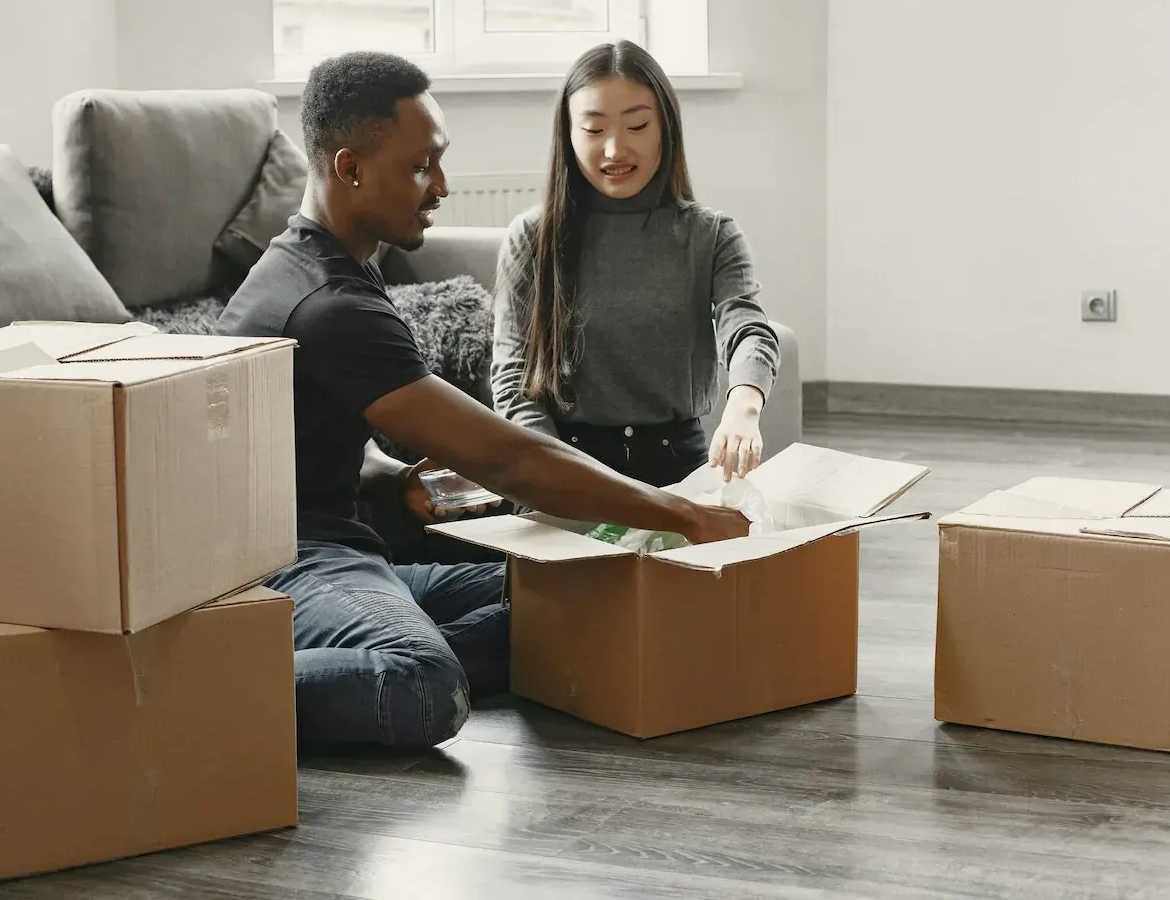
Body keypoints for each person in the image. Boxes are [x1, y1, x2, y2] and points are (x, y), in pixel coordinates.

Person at [215, 51, 749, 751]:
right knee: (423, 684)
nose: (440, 186)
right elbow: (511, 458)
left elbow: (310, 427)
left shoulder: (322, 263)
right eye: (420, 167)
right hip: (296, 562)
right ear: (349, 169)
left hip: (345, 551)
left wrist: (391, 475)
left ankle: (367, 645)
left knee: (578, 603)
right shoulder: (331, 302)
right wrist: (681, 514)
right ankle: (196, 686)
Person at [491, 40, 781, 489]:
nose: (614, 150)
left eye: (637, 125)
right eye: (592, 130)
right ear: (567, 135)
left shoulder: (711, 234)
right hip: (563, 467)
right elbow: (513, 380)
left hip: (679, 469)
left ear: (665, 126)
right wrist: (556, 480)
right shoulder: (531, 237)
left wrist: (744, 407)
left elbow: (747, 328)